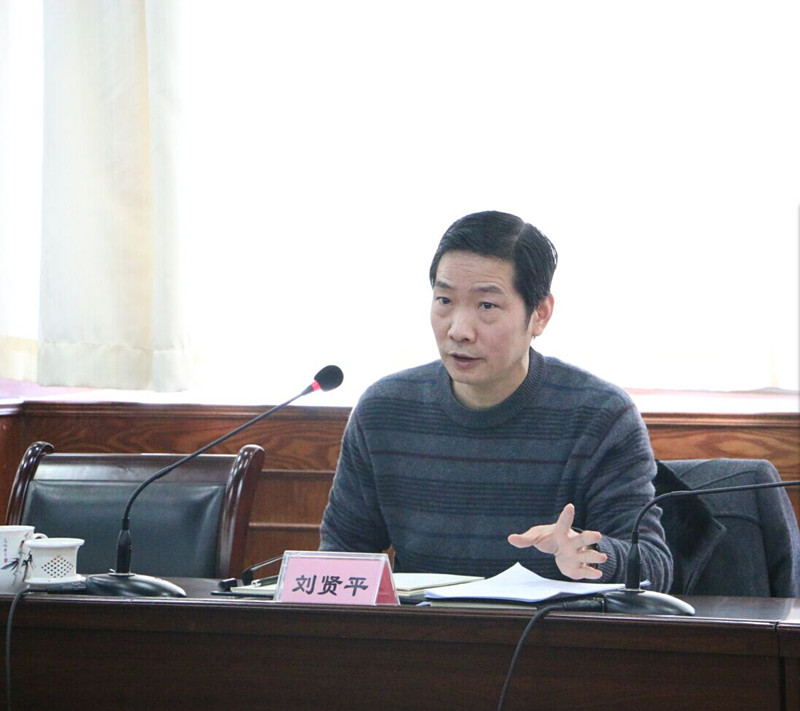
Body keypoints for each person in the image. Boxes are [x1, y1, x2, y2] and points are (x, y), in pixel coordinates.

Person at [319, 210, 673, 589]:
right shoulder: (383, 411)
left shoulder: (601, 416)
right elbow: (339, 558)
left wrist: (591, 554)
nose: (459, 330)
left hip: (546, 627)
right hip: (424, 625)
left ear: (540, 314)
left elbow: (655, 568)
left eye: (486, 306)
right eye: (444, 300)